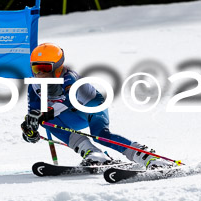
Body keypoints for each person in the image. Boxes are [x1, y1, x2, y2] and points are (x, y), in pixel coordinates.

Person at [20, 42, 161, 168]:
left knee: (99, 135)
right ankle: (93, 154)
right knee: (45, 120)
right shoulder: (33, 85)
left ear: (57, 67)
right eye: (36, 68)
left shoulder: (69, 77)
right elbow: (33, 113)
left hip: (91, 107)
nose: (40, 73)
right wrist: (30, 129)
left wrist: (43, 113)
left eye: (45, 68)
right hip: (69, 117)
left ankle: (145, 156)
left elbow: (68, 100)